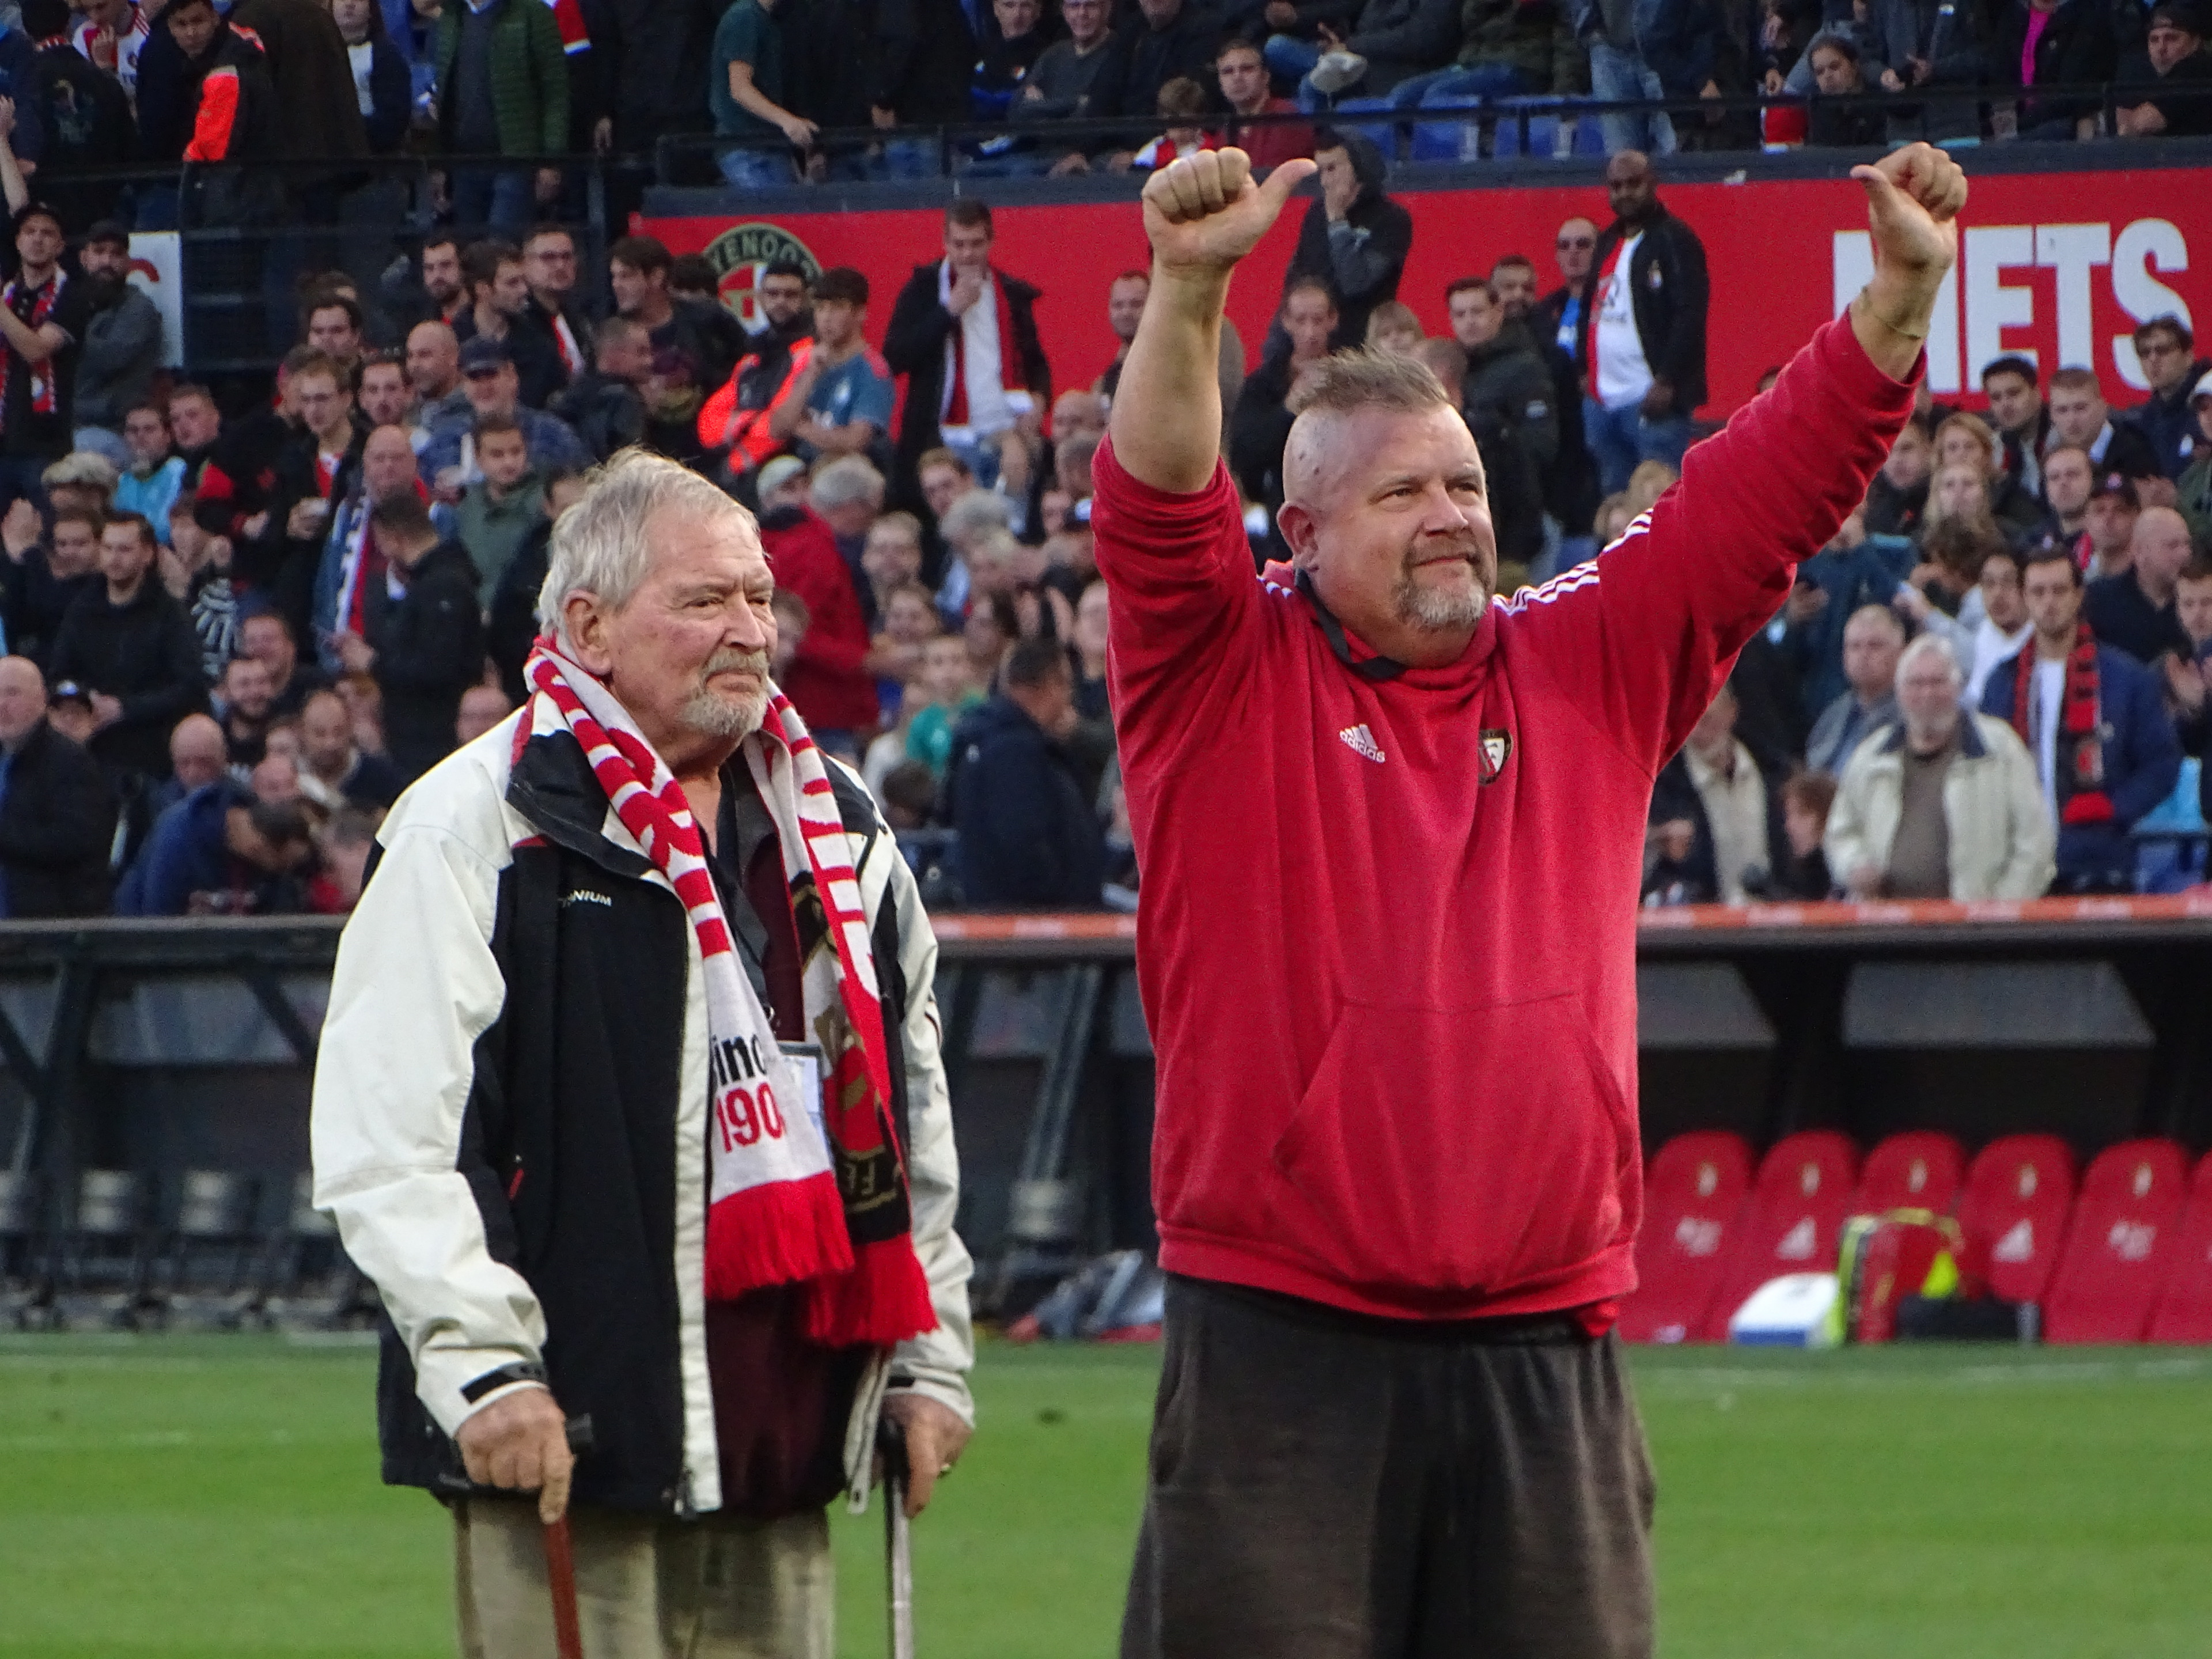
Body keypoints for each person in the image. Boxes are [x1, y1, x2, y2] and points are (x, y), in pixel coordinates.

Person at [1097, 139, 1966, 1656]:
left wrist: (1897, 298)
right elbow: (1159, 496)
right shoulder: (1219, 673)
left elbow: (1757, 495)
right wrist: (1188, 292)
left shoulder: (1585, 663)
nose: (1450, 515)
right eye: (1403, 493)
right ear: (1297, 536)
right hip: (1283, 1347)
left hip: (1546, 1348)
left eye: (1467, 485)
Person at [310, 446, 973, 1657]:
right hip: (572, 1444)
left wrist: (932, 1362)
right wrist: (486, 1372)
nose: (748, 631)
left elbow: (907, 1116)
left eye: (759, 598)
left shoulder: (839, 834)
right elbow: (396, 1136)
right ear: (590, 626)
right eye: (705, 600)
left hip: (786, 1441)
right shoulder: (477, 825)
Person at [1978, 546, 2180, 892]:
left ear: (2079, 596)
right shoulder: (2003, 681)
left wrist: (2113, 810)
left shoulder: (2126, 677)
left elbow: (2162, 762)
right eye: (2038, 592)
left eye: (2059, 591)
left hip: (2100, 866)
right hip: (2017, 867)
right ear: (2025, 599)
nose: (2049, 603)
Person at [1824, 633, 2054, 900]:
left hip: (1975, 932)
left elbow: (2035, 842)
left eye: (1938, 682)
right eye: (1916, 683)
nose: (1927, 694)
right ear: (1899, 692)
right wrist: (1855, 865)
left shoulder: (2001, 750)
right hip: (1885, 930)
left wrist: (2000, 911)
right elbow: (1840, 832)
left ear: (1958, 688)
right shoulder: (1870, 755)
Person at [884, 202, 1051, 496]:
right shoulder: (923, 288)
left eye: (976, 244)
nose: (967, 254)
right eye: (959, 244)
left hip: (1005, 433)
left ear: (991, 241)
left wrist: (1039, 400)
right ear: (945, 242)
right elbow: (894, 359)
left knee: (1009, 522)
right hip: (942, 438)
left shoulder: (1011, 293)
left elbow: (1036, 363)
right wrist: (948, 312)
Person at [1577, 150, 1710, 498]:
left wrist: (1667, 380)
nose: (1624, 194)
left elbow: (1690, 313)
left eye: (1633, 184)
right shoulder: (1607, 241)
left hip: (1653, 399)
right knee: (1615, 506)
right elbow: (1589, 306)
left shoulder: (1675, 239)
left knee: (1659, 503)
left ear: (1653, 183)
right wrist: (1583, 371)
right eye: (1616, 186)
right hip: (1602, 400)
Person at [334, 490, 484, 781]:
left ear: (392, 536)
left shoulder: (443, 586)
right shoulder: (429, 582)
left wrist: (372, 663)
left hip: (432, 740)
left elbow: (437, 667)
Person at [946, 633, 1105, 906]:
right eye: (1066, 684)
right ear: (1048, 685)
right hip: (1030, 931)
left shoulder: (996, 743)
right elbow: (1023, 847)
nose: (1070, 697)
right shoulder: (1012, 753)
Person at [48, 510, 207, 779]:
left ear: (147, 554)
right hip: (93, 750)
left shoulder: (170, 615)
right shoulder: (82, 610)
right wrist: (83, 701)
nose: (115, 558)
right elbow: (60, 674)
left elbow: (189, 687)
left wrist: (125, 709)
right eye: (108, 549)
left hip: (152, 754)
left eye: (125, 549)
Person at [1642, 683, 1790, 904]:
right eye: (1693, 715)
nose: (1702, 718)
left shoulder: (1772, 772)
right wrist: (1656, 840)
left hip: (1773, 919)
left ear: (1732, 711)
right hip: (1700, 925)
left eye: (1710, 712)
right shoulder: (1660, 784)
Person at [1448, 275, 1559, 570]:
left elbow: (1542, 445)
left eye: (1477, 312)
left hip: (1523, 518)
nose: (1469, 322)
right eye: (1461, 314)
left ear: (1498, 313)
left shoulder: (1526, 366)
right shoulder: (1452, 367)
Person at [433, 0, 567, 232]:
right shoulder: (452, 16)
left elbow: (556, 93)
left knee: (503, 249)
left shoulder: (532, 13)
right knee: (470, 257)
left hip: (516, 160)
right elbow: (446, 94)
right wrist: (439, 165)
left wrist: (551, 160)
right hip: (463, 160)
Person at [0, 652, 116, 915]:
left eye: (12, 694)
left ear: (42, 701)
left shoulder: (70, 762)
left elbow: (75, 841)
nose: (2, 705)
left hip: (49, 929)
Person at [0, 202, 97, 516]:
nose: (37, 239)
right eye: (29, 232)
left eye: (47, 233)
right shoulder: (8, 293)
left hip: (45, 445)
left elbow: (36, 350)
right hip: (3, 439)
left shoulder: (74, 296)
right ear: (17, 241)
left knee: (48, 534)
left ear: (60, 245)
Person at [1281, 131, 1411, 353]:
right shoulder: (1316, 213)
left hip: (1361, 345)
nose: (1324, 182)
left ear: (1360, 169)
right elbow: (1298, 277)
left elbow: (1356, 283)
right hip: (1312, 342)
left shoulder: (1392, 219)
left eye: (1332, 169)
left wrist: (1338, 222)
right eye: (1320, 171)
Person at [1229, 276, 1337, 534]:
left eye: (1318, 320)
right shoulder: (1263, 384)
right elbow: (1245, 453)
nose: (1310, 332)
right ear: (1286, 321)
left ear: (1333, 320)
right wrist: (1288, 409)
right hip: (1283, 510)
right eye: (1301, 320)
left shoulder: (1354, 378)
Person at [697, 260, 816, 479]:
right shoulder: (753, 352)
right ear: (760, 297)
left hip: (792, 468)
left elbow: (777, 428)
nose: (781, 302)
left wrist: (738, 431)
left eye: (791, 295)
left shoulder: (813, 351)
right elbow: (708, 422)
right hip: (741, 474)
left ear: (807, 298)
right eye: (773, 294)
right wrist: (749, 421)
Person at [419, 337, 591, 482]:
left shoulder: (552, 433)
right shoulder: (447, 437)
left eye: (491, 375)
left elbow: (584, 480)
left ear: (512, 376)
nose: (484, 386)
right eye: (474, 378)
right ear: (464, 384)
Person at [70, 221, 164, 450]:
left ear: (128, 263)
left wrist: (63, 335)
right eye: (99, 252)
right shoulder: (71, 301)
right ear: (84, 258)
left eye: (116, 254)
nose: (107, 262)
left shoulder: (139, 308)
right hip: (65, 425)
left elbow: (109, 359)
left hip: (113, 429)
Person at [452, 240, 566, 411]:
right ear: (483, 290)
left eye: (523, 282)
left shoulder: (539, 345)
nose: (523, 291)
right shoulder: (452, 343)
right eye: (512, 283)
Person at [709, 0, 812, 188]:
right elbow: (740, 89)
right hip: (748, 149)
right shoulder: (744, 16)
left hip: (768, 148)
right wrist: (787, 121)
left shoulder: (767, 21)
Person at [1988, 0, 2117, 139]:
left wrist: (2019, 127)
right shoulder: (2012, 15)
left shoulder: (2087, 16)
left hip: (2060, 130)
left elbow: (2068, 92)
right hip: (2015, 132)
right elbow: (2000, 78)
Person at [2085, 505, 2195, 666]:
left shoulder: (2201, 600)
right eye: (2172, 546)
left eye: (2187, 544)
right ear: (2139, 551)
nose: (2185, 554)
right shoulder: (2099, 599)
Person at [1806, 603, 1906, 774]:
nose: (1863, 656)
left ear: (1900, 653)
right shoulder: (1833, 714)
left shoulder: (1909, 718)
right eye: (1854, 646)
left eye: (1875, 646)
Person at [551, 315, 650, 461]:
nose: (650, 361)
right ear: (614, 353)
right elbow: (629, 461)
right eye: (641, 352)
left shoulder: (569, 395)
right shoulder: (623, 400)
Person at [2123, 315, 2209, 480]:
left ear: (2188, 355)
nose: (2153, 359)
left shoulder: (2206, 403)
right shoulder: (2144, 421)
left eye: (2163, 350)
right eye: (2144, 353)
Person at [295, 683, 401, 810]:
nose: (330, 744)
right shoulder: (288, 776)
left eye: (339, 733)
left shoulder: (382, 777)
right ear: (301, 732)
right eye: (320, 734)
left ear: (350, 730)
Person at [1217, 38, 1313, 173]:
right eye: (1228, 71)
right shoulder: (1225, 131)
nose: (1237, 77)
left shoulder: (1285, 117)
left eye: (1247, 69)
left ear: (1265, 77)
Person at [2113, 5, 2212, 136]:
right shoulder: (2141, 74)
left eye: (2171, 38)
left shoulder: (2199, 69)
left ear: (2195, 43)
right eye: (2154, 40)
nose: (2161, 48)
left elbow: (2142, 125)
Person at [1981, 354, 2050, 500]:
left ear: (2037, 393)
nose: (2005, 404)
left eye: (2014, 393)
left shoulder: (2063, 435)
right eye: (1996, 397)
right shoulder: (1990, 447)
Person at [115, 404, 188, 543]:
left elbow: (165, 527)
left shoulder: (179, 471)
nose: (140, 436)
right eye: (133, 430)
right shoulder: (124, 479)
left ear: (167, 436)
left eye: (149, 429)